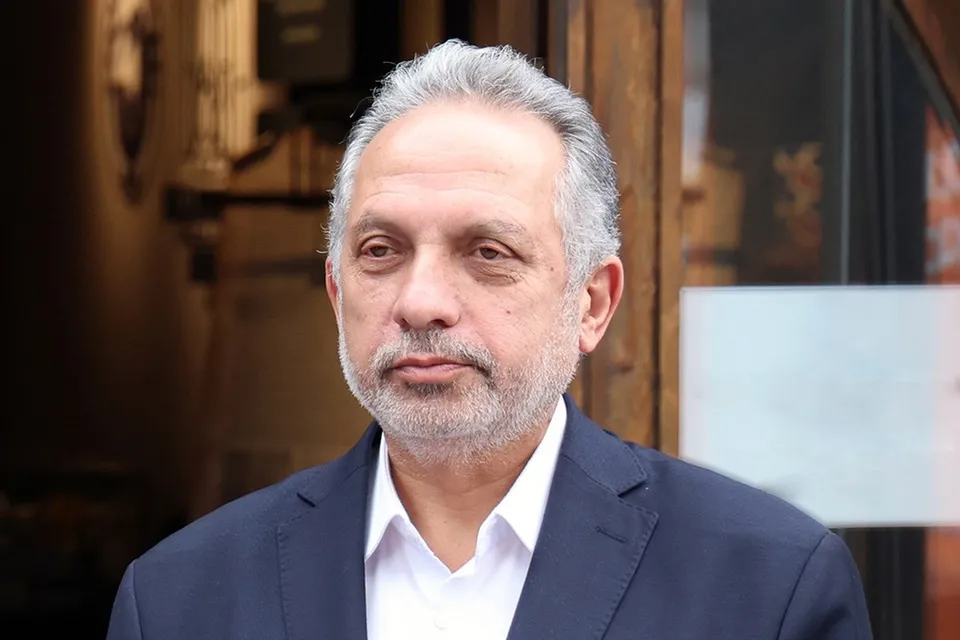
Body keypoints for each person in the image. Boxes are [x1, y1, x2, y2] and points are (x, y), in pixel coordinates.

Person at [107, 40, 872, 640]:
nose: (421, 301)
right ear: (337, 292)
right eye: (381, 250)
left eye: (487, 252)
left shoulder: (767, 588)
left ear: (592, 304)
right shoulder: (181, 599)